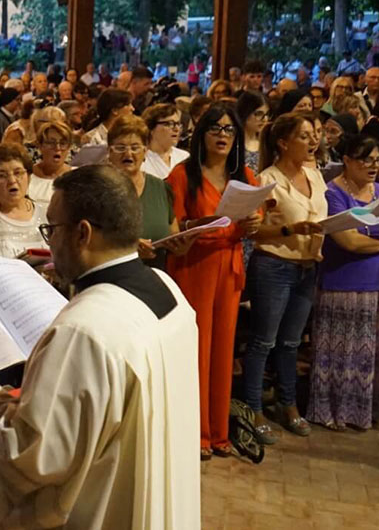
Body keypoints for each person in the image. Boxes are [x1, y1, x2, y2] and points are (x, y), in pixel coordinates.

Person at [0, 164, 200, 528]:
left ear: (83, 233)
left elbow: (32, 458)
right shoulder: (168, 290)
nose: (48, 240)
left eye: (52, 228)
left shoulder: (83, 331)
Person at [166, 104, 263, 458]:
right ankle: (197, 433)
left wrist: (252, 225)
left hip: (230, 267)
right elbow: (172, 225)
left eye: (229, 130)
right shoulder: (182, 174)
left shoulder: (245, 176)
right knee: (197, 350)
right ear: (202, 134)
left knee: (223, 350)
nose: (223, 135)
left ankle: (219, 432)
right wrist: (200, 225)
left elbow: (256, 216)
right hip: (195, 265)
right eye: (215, 129)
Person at [308, 135, 379, 431]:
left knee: (377, 353)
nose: (373, 166)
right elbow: (349, 242)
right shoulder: (333, 194)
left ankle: (369, 410)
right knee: (345, 354)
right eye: (365, 159)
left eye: (377, 159)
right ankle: (337, 411)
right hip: (345, 284)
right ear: (347, 160)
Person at [242, 113, 327, 444]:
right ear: (283, 142)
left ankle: (288, 403)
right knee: (263, 341)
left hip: (308, 266)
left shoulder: (315, 175)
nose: (312, 141)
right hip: (275, 266)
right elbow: (254, 231)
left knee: (291, 342)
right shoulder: (267, 179)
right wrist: (291, 228)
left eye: (313, 135)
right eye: (304, 136)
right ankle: (253, 407)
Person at [106, 116, 191, 271]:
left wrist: (181, 248)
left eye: (135, 147)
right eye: (120, 147)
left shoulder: (160, 187)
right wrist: (128, 247)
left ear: (145, 151)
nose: (128, 153)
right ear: (109, 152)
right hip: (112, 280)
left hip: (155, 277)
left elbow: (173, 236)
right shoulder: (97, 189)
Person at [27, 121, 71, 203]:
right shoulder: (27, 175)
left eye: (63, 143)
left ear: (69, 147)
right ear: (39, 145)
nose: (57, 148)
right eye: (51, 143)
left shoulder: (77, 178)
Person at [141, 103, 189, 179]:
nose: (176, 129)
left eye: (178, 124)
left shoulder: (184, 157)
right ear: (151, 128)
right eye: (169, 124)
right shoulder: (141, 159)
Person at [236, 90, 268, 171]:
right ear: (245, 113)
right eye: (258, 114)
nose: (264, 119)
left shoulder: (267, 144)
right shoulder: (233, 143)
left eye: (267, 114)